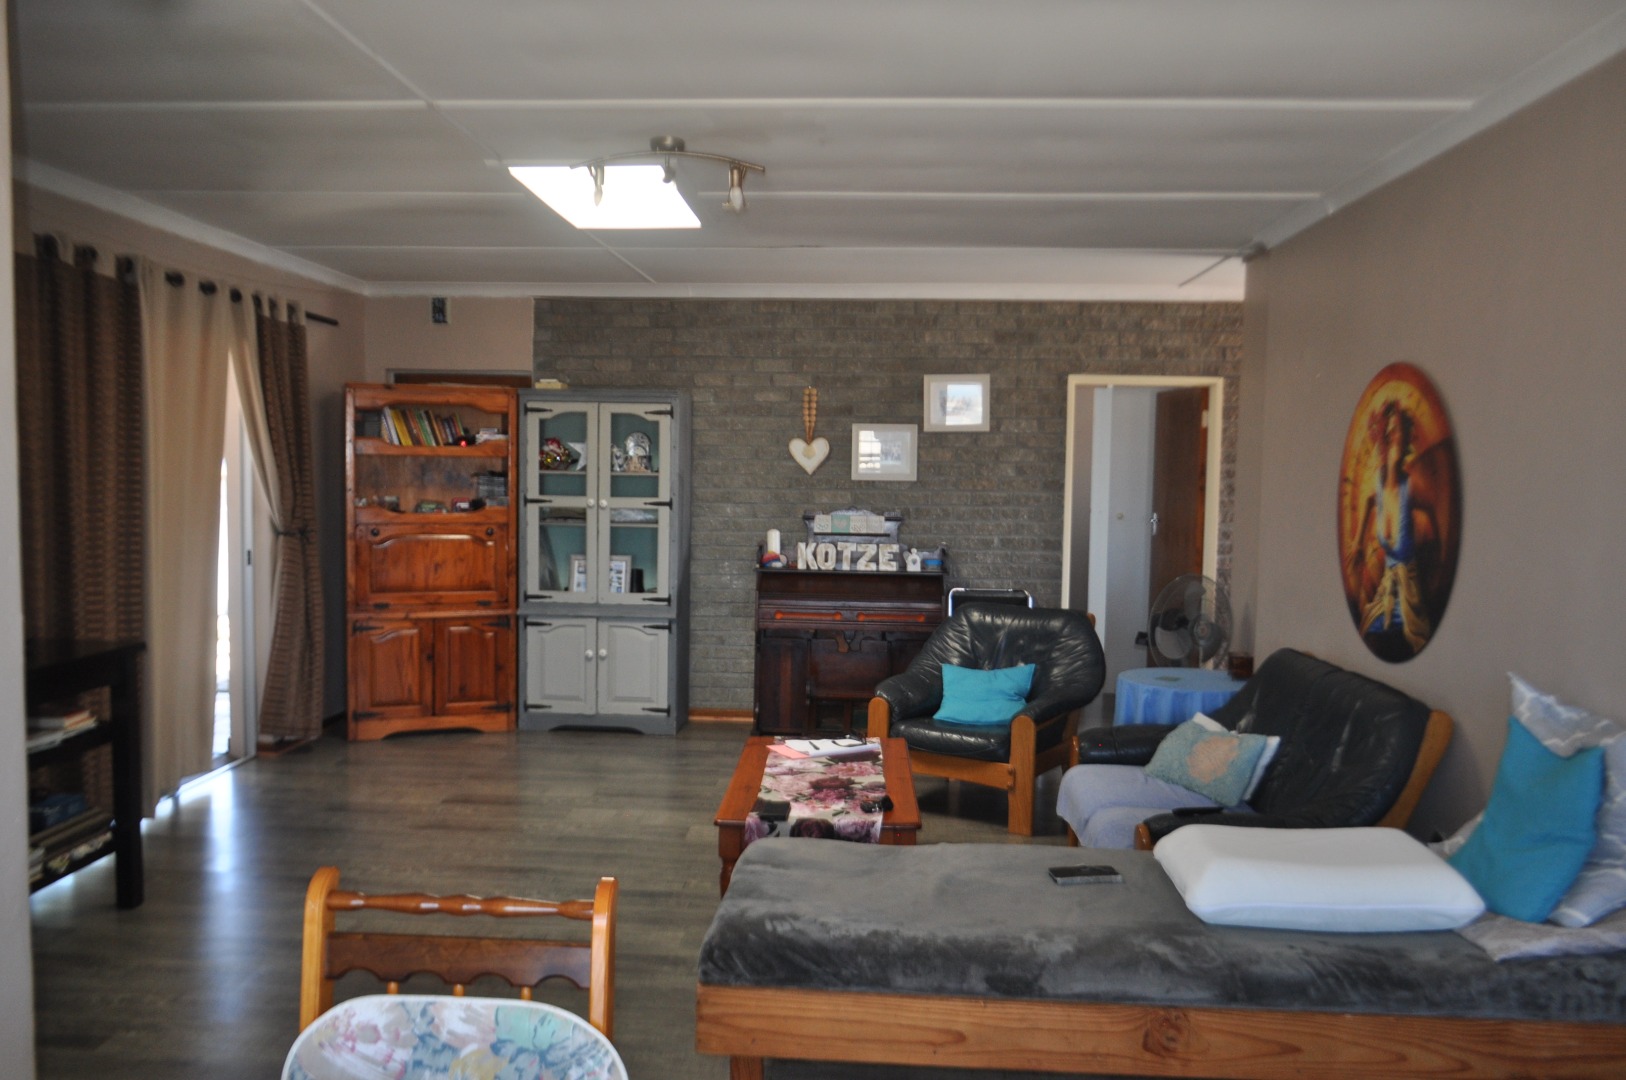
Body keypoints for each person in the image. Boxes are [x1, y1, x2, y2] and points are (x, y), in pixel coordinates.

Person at [1347, 401, 1433, 658]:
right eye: (1388, 431)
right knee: (1368, 632)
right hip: (1386, 593)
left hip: (1410, 599)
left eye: (1396, 430)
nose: (1391, 436)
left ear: (1406, 437)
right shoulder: (1379, 485)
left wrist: (1429, 545)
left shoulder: (1413, 487)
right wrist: (1358, 541)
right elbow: (1368, 500)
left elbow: (1439, 509)